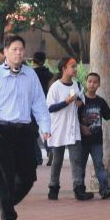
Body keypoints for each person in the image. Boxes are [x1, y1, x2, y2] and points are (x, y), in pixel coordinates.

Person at [0, 35, 52, 220]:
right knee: (5, 177)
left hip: (25, 132)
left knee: (28, 176)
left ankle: (5, 202)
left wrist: (45, 128)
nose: (19, 53)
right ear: (6, 52)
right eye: (15, 49)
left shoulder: (31, 75)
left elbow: (39, 104)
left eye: (21, 49)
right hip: (1, 132)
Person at [45, 57, 83, 200]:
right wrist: (66, 102)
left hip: (73, 126)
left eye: (75, 66)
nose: (75, 69)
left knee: (76, 159)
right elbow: (50, 107)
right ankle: (53, 187)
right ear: (64, 69)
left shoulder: (77, 85)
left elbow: (81, 101)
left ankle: (78, 187)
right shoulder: (55, 87)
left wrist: (79, 102)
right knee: (57, 160)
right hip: (59, 127)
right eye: (72, 66)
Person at [73, 71, 110, 200]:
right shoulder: (80, 102)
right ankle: (80, 189)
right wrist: (81, 126)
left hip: (96, 141)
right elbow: (72, 118)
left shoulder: (100, 101)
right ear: (86, 82)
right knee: (80, 165)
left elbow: (109, 116)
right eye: (90, 81)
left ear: (99, 84)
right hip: (82, 141)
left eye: (95, 82)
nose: (92, 84)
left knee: (99, 164)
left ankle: (104, 188)